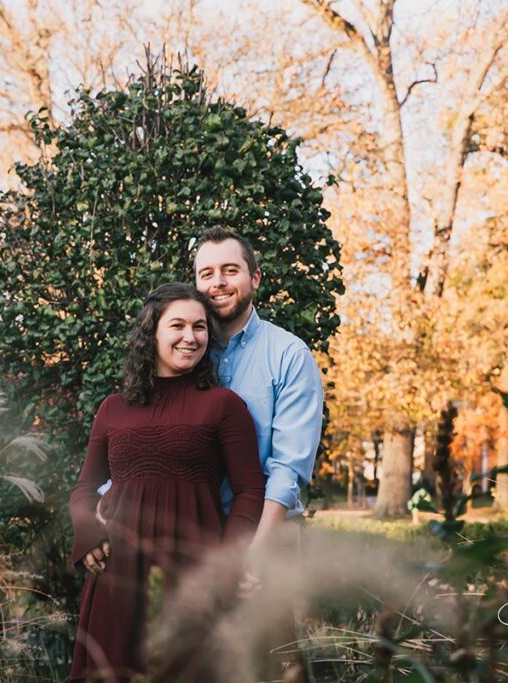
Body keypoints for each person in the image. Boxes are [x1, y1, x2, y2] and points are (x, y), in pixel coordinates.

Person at [68, 282, 265, 683]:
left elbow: (249, 491)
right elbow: (84, 489)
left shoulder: (224, 406)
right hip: (118, 574)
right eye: (177, 325)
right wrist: (85, 531)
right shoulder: (113, 409)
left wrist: (227, 564)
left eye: (199, 327)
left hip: (192, 574)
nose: (189, 338)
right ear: (152, 332)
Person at [193, 226, 324, 679]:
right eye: (206, 273)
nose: (218, 283)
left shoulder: (288, 354)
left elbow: (288, 469)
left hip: (268, 534)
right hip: (198, 534)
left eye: (231, 270)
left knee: (266, 664)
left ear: (256, 278)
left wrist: (254, 553)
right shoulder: (185, 349)